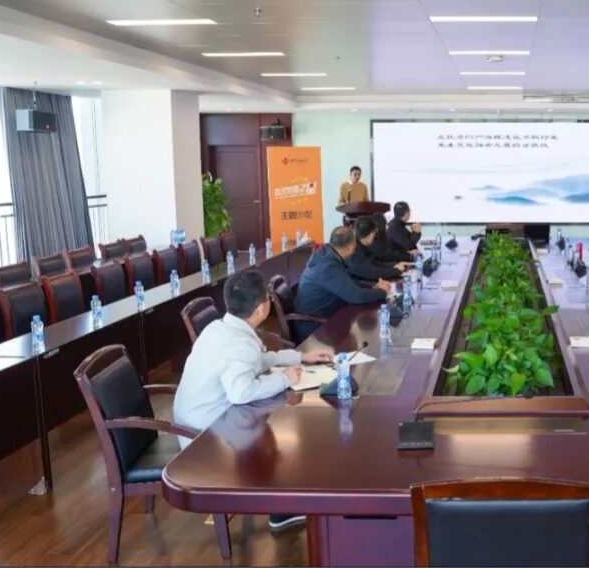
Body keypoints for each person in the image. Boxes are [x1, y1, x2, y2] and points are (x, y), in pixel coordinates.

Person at [172, 270, 334, 532]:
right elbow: (241, 392)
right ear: (261, 308)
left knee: (275, 415)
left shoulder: (221, 327)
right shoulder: (238, 344)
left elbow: (256, 361)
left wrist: (299, 357)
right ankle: (281, 509)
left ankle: (281, 500)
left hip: (201, 418)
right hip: (203, 436)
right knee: (281, 436)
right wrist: (285, 379)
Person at [294, 227, 391, 340]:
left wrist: (373, 286)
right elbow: (356, 296)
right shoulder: (327, 267)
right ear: (350, 248)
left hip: (327, 317)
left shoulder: (327, 253)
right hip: (315, 328)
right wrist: (383, 292)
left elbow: (347, 282)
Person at [350, 216, 411, 283]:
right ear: (372, 234)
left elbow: (375, 263)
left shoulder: (360, 245)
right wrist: (396, 271)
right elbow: (372, 272)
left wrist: (395, 264)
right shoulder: (354, 250)